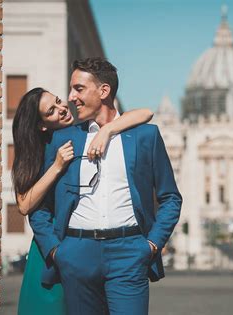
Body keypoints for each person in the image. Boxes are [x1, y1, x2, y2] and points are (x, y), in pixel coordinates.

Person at [29, 57, 182, 315]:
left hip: (130, 252)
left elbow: (170, 198)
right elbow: (40, 205)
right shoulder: (62, 139)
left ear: (103, 91)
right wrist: (56, 251)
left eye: (79, 88)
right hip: (76, 254)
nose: (70, 97)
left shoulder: (146, 136)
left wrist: (152, 245)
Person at [11, 87, 154, 315]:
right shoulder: (39, 151)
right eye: (51, 111)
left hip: (86, 251)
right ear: (42, 125)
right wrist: (57, 166)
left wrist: (107, 131)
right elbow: (25, 205)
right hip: (54, 249)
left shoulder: (85, 128)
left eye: (59, 102)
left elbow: (145, 113)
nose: (62, 109)